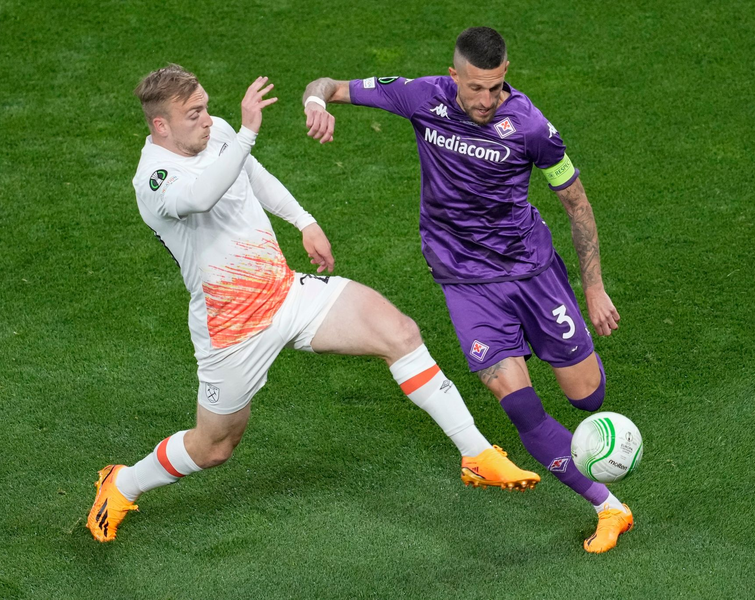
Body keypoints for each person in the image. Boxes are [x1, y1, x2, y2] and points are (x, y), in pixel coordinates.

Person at [86, 64, 539, 542]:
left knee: (399, 332)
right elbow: (200, 196)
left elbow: (251, 174)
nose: (207, 119)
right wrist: (246, 132)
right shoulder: (154, 179)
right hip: (233, 328)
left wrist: (304, 220)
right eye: (194, 113)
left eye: (206, 107)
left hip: (286, 292)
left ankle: (476, 455)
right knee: (214, 447)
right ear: (161, 125)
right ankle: (122, 482)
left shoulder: (216, 132)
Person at [302, 27, 633, 553]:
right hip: (465, 282)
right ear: (453, 75)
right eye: (476, 88)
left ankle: (589, 420)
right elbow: (327, 84)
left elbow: (577, 203)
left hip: (533, 272)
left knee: (587, 396)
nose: (486, 100)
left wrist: (593, 287)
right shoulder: (419, 96)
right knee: (519, 407)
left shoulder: (530, 126)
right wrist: (316, 102)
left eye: (496, 87)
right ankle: (608, 506)